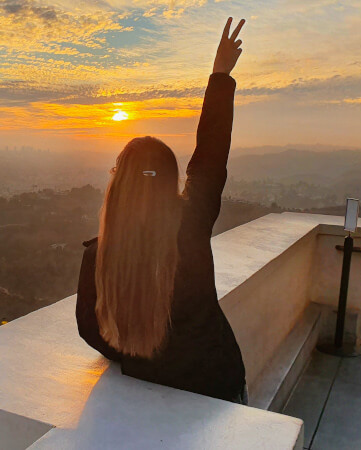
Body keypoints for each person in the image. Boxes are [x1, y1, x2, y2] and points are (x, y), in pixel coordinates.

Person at [76, 17, 249, 404]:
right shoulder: (191, 223)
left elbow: (90, 330)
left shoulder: (98, 257)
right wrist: (219, 75)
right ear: (171, 181)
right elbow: (210, 156)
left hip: (146, 394)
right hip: (216, 388)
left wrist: (136, 357)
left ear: (117, 186)